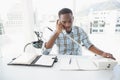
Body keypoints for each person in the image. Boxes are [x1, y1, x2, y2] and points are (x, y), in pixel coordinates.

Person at [43, 8, 115, 60]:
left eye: (70, 21)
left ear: (73, 19)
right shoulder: (55, 34)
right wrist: (57, 32)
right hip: (62, 61)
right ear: (59, 21)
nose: (67, 24)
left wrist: (102, 53)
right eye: (64, 22)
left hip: (78, 60)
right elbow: (45, 52)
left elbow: (88, 45)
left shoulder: (79, 30)